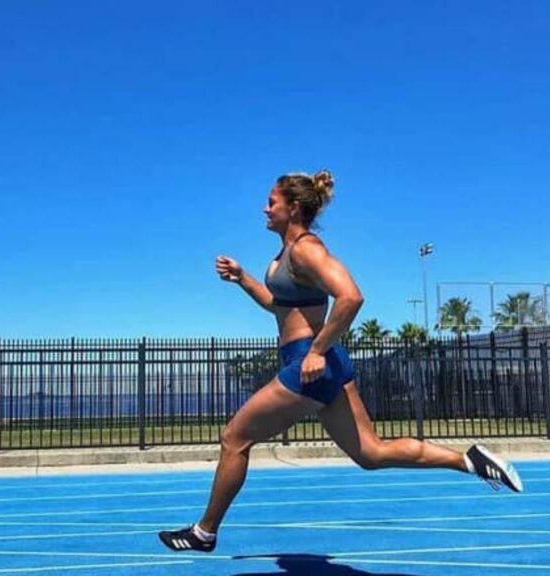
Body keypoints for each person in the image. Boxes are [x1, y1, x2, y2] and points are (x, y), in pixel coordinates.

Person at [159, 170, 522, 553]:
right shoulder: (287, 254)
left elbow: (350, 296)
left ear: (293, 208)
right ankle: (468, 461)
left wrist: (316, 351)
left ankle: (204, 533)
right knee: (371, 453)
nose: (265, 209)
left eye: (272, 202)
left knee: (234, 437)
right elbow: (279, 308)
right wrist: (243, 278)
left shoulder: (306, 249)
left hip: (311, 362)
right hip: (324, 362)